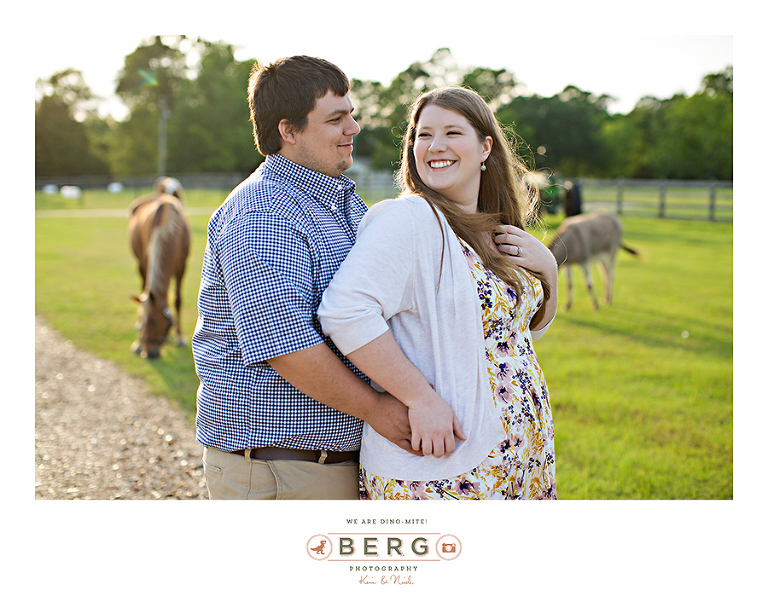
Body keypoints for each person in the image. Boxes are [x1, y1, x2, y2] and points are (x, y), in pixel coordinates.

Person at [191, 56, 418, 500]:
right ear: (288, 131)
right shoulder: (263, 215)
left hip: (327, 461)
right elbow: (287, 346)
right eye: (336, 119)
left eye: (351, 113)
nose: (353, 128)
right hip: (285, 467)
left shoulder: (339, 203)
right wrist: (377, 410)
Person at [318, 86, 558, 499]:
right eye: (423, 135)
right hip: (447, 468)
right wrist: (420, 398)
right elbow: (345, 311)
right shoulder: (409, 219)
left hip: (521, 456)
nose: (435, 146)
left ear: (485, 147)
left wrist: (548, 272)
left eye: (451, 133)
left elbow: (515, 338)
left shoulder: (491, 230)